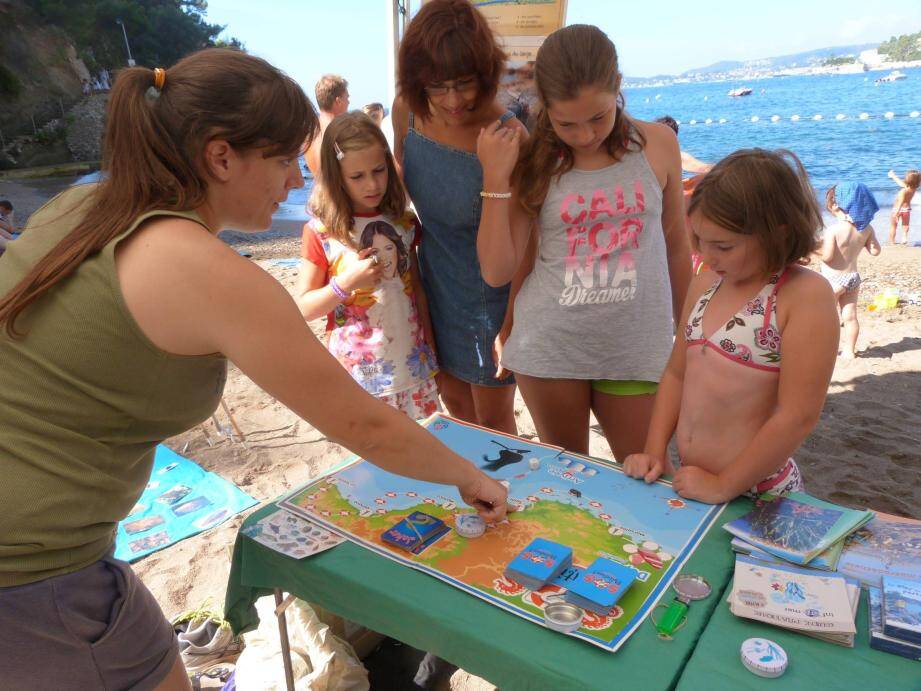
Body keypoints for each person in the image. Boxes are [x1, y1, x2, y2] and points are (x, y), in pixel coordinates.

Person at [0, 50, 506, 691]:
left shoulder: (81, 208)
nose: (297, 182)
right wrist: (467, 477)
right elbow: (364, 424)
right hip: (32, 571)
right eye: (283, 160)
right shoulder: (204, 270)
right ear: (220, 157)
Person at [475, 24, 691, 458]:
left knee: (648, 475)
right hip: (550, 345)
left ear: (619, 88)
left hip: (637, 344)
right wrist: (496, 176)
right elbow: (501, 268)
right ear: (545, 109)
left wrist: (690, 334)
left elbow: (676, 245)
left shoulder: (658, 145)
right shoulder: (536, 159)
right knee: (568, 483)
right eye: (566, 123)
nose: (586, 135)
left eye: (598, 116)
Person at [623, 149, 839, 504]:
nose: (707, 256)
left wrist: (725, 484)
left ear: (778, 234)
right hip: (694, 482)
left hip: (757, 492)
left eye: (723, 245)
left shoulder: (803, 296)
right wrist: (655, 449)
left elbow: (798, 415)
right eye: (699, 241)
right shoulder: (706, 281)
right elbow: (678, 373)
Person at [392, 0, 527, 434]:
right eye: (437, 86)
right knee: (452, 405)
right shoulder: (405, 112)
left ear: (485, 73)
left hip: (489, 295)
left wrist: (510, 325)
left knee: (492, 422)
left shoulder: (509, 135)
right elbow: (398, 186)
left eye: (464, 83)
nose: (452, 100)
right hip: (431, 283)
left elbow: (520, 252)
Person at [296, 111, 440, 419]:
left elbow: (416, 290)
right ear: (336, 177)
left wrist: (430, 351)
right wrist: (344, 284)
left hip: (413, 368)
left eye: (378, 170)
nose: (372, 184)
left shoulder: (403, 222)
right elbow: (305, 308)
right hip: (358, 378)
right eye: (357, 176)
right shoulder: (322, 232)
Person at [819, 182, 882, 358]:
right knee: (850, 317)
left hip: (834, 280)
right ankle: (849, 351)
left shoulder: (833, 230)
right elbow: (875, 251)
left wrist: (816, 251)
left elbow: (827, 257)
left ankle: (826, 350)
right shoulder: (867, 229)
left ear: (835, 204)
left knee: (826, 318)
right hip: (853, 278)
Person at [304, 74, 350, 178]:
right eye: (347, 97)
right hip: (337, 193)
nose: (349, 102)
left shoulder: (310, 134)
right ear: (338, 101)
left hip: (320, 193)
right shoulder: (338, 132)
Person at [887, 168, 919, 245]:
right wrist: (893, 176)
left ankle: (892, 241)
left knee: (893, 226)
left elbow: (900, 203)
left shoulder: (903, 191)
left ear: (906, 179)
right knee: (905, 225)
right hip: (906, 210)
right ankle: (904, 237)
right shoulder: (913, 188)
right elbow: (901, 184)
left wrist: (896, 213)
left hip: (897, 210)